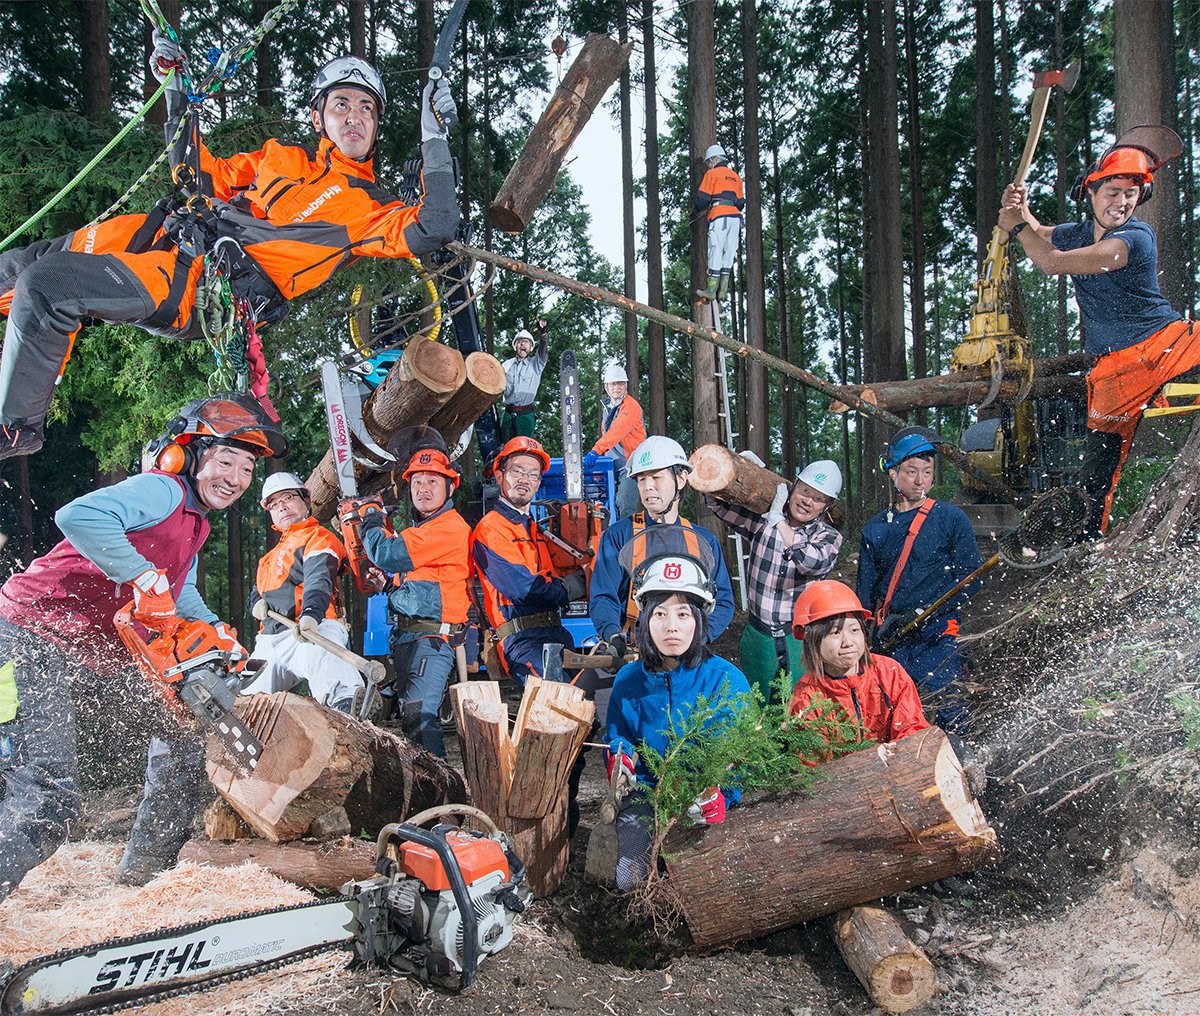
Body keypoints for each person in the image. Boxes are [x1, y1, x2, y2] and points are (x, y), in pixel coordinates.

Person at [0, 48, 460, 462]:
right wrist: (176, 84)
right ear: (319, 117)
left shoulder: (371, 208)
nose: (354, 117)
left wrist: (433, 136)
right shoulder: (279, 156)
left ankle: (14, 429)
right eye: (341, 104)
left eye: (367, 108)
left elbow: (434, 226)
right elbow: (194, 175)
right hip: (162, 234)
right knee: (19, 269)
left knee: (48, 286)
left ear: (377, 126)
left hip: (202, 288)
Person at [0, 393, 286, 896]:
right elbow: (77, 516)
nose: (236, 479)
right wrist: (141, 577)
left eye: (245, 469)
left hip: (90, 654)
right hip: (28, 634)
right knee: (49, 797)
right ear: (187, 456)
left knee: (183, 735)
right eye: (225, 461)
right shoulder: (162, 490)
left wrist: (215, 630)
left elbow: (183, 592)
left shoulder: (195, 522)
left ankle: (141, 882)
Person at [1000, 127, 1200, 537]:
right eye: (1113, 192)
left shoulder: (1134, 239)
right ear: (1091, 193)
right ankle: (1088, 544)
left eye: (1130, 194)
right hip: (1114, 370)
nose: (1122, 202)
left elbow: (1051, 262)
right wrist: (1019, 212)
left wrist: (1016, 228)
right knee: (1098, 473)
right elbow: (1039, 234)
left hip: (1164, 346)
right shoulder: (1075, 232)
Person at [605, 544, 751, 891]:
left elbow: (740, 755)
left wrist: (723, 794)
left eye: (683, 614)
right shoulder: (628, 681)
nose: (672, 627)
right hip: (647, 799)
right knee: (630, 880)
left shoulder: (725, 681)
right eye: (660, 614)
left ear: (700, 619)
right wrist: (618, 758)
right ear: (645, 619)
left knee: (709, 887)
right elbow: (618, 735)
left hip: (699, 801)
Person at [856, 427, 982, 731]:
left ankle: (958, 765)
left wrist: (925, 612)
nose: (920, 480)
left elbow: (972, 579)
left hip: (938, 635)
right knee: (889, 714)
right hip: (891, 640)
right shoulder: (875, 530)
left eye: (927, 471)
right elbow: (863, 596)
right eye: (911, 471)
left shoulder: (951, 519)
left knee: (947, 705)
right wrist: (867, 632)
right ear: (893, 473)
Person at [355, 447, 471, 758]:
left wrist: (370, 516)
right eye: (417, 482)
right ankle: (430, 794)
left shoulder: (450, 527)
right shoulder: (420, 531)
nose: (423, 489)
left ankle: (445, 797)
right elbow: (420, 582)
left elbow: (386, 553)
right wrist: (389, 584)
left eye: (433, 481)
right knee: (410, 721)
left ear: (450, 486)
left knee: (419, 718)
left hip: (430, 640)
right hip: (409, 638)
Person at [706, 457, 844, 703]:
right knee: (755, 703)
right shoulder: (763, 523)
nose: (806, 501)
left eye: (817, 498)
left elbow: (810, 561)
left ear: (826, 506)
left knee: (800, 705)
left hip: (799, 637)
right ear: (793, 488)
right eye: (804, 491)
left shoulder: (829, 537)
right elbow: (716, 504)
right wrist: (738, 469)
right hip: (758, 633)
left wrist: (778, 521)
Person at [590, 436, 735, 663]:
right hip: (633, 652)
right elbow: (603, 596)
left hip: (689, 652)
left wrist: (698, 639)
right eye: (641, 479)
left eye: (656, 477)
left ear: (681, 478)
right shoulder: (619, 536)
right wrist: (612, 636)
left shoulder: (702, 541)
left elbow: (723, 601)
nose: (648, 486)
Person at [240, 472, 363, 711]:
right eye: (274, 504)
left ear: (305, 501)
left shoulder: (318, 537)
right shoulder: (268, 558)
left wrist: (310, 615)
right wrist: (255, 602)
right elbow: (257, 589)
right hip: (270, 639)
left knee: (326, 652)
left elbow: (319, 578)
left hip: (309, 628)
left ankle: (347, 704)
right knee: (243, 699)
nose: (282, 507)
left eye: (287, 498)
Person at [471, 436, 589, 683]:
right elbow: (524, 589)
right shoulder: (491, 529)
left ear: (538, 483)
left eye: (533, 474)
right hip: (524, 639)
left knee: (588, 705)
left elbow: (558, 570)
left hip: (557, 633)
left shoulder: (535, 529)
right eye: (518, 471)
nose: (525, 479)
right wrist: (575, 585)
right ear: (500, 475)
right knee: (555, 702)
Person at [788, 581, 929, 746]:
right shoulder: (807, 697)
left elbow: (912, 731)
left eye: (854, 630)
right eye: (835, 633)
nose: (848, 642)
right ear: (811, 640)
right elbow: (816, 766)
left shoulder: (889, 673)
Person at [584, 361, 646, 520]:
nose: (617, 387)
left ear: (626, 386)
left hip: (630, 464)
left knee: (625, 503)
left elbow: (616, 432)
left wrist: (595, 451)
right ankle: (613, 540)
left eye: (620, 384)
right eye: (613, 384)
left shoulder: (631, 407)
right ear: (606, 387)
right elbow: (607, 436)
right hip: (612, 465)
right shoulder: (608, 409)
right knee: (608, 504)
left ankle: (629, 541)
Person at [693, 143, 745, 303]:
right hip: (735, 219)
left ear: (715, 159)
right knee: (729, 252)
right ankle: (723, 291)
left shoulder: (712, 174)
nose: (708, 166)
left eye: (709, 162)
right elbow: (741, 203)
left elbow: (703, 199)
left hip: (719, 215)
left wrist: (695, 210)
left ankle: (711, 290)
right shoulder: (736, 177)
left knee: (715, 250)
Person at [499, 320, 550, 442]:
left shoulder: (536, 364)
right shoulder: (506, 365)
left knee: (525, 449)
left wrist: (543, 333)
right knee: (505, 448)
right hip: (508, 414)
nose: (522, 344)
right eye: (520, 342)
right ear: (515, 346)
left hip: (525, 415)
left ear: (531, 347)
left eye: (526, 342)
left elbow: (543, 349)